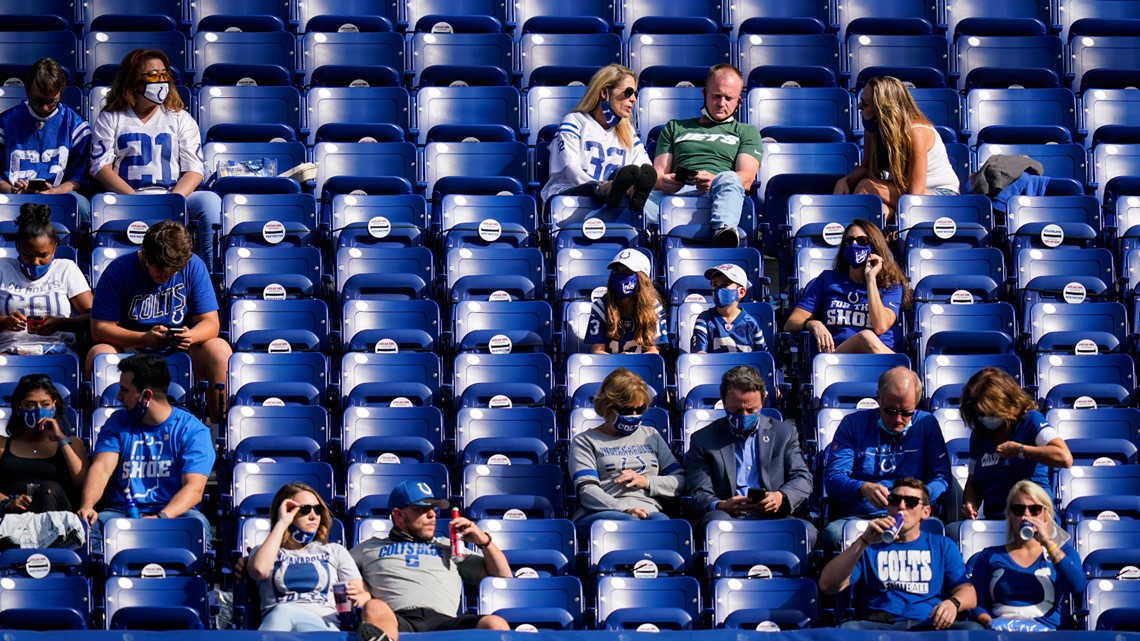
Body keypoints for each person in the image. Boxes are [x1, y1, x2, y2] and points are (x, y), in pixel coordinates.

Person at [88, 48, 221, 269]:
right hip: (126, 198)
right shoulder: (111, 118)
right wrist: (134, 197)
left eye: (163, 75)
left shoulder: (180, 118)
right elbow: (101, 168)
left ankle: (210, 274)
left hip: (172, 196)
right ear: (132, 81)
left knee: (209, 201)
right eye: (152, 75)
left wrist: (172, 201)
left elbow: (194, 170)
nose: (160, 81)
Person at [88, 220, 231, 423]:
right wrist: (144, 339)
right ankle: (105, 426)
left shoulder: (193, 266)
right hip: (132, 350)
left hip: (180, 349)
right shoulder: (119, 270)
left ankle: (220, 433)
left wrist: (191, 336)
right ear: (145, 253)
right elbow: (99, 329)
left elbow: (211, 324)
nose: (164, 275)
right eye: (159, 268)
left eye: (172, 271)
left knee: (218, 348)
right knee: (99, 353)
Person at [77, 353, 215, 553]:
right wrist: (88, 504)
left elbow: (194, 489)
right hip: (120, 514)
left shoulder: (192, 430)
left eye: (124, 390)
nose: (118, 397)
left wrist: (160, 518)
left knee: (197, 524)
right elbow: (102, 468)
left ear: (146, 396)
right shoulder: (117, 422)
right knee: (93, 528)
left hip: (175, 515)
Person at [818, 478, 982, 631]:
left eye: (911, 502)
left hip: (929, 624)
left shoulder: (942, 545)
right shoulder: (868, 546)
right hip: (880, 625)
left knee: (973, 630)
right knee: (849, 629)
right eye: (895, 500)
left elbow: (968, 593)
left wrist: (953, 603)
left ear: (925, 512)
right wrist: (863, 541)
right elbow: (828, 585)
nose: (902, 506)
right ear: (888, 506)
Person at [351, 480, 510, 635]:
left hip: (444, 622)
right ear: (398, 515)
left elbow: (503, 577)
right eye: (421, 509)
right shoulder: (369, 548)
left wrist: (484, 541)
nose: (432, 514)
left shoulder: (449, 547)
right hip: (396, 620)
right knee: (374, 607)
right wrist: (362, 589)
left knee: (495, 624)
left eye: (433, 509)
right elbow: (335, 570)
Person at [821, 367, 950, 552]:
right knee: (834, 536)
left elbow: (943, 478)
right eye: (890, 411)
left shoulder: (926, 424)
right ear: (878, 398)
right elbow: (833, 478)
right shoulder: (853, 424)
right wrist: (862, 488)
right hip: (863, 516)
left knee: (939, 535)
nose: (898, 419)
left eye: (907, 413)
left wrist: (916, 498)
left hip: (911, 516)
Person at [684, 365, 815, 547]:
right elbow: (698, 491)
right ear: (724, 402)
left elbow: (802, 478)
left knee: (807, 532)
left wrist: (781, 496)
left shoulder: (784, 433)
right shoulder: (703, 439)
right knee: (713, 524)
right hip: (727, 516)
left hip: (773, 515)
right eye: (736, 410)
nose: (744, 415)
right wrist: (720, 505)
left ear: (763, 401)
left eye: (751, 410)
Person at [645, 64, 762, 248]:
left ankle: (724, 231)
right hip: (676, 194)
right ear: (704, 93)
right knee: (636, 201)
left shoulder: (746, 131)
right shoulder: (674, 127)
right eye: (716, 96)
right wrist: (666, 182)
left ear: (739, 101)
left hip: (721, 194)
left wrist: (715, 180)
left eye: (729, 98)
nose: (721, 103)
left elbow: (746, 178)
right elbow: (657, 174)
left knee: (730, 177)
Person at [569, 368, 684, 543]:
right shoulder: (585, 441)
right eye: (626, 410)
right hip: (599, 513)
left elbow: (681, 481)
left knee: (663, 524)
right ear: (608, 406)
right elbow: (587, 490)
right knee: (629, 524)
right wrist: (624, 509)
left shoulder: (651, 435)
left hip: (649, 512)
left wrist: (646, 481)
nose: (634, 416)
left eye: (640, 409)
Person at [248, 482, 373, 634]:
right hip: (281, 628)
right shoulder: (264, 552)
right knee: (283, 611)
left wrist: (357, 598)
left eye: (318, 509)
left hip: (323, 627)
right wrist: (282, 523)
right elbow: (259, 570)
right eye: (305, 510)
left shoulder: (335, 551)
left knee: (284, 611)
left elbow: (364, 595)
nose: (313, 516)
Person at [834, 76, 960, 223]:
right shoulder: (873, 130)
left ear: (883, 108)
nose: (859, 107)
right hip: (903, 192)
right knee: (879, 211)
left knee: (866, 186)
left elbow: (916, 194)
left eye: (865, 103)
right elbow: (867, 166)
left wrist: (869, 186)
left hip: (941, 197)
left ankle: (847, 234)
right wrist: (845, 181)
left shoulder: (916, 133)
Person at [969, 480, 1086, 631]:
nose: (1026, 516)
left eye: (1034, 509)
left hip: (1045, 633)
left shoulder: (1064, 553)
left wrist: (1048, 543)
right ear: (1010, 515)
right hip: (1000, 632)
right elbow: (977, 604)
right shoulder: (989, 556)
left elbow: (1077, 586)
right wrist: (991, 623)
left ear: (1046, 515)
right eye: (1018, 509)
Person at [958, 367, 1072, 522]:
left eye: (989, 413)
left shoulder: (1030, 421)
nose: (984, 418)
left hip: (1037, 519)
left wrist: (1020, 450)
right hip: (998, 525)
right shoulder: (979, 436)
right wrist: (971, 502)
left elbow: (1064, 457)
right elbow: (973, 483)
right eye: (979, 414)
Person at [783, 219, 909, 354]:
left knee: (866, 337)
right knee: (864, 337)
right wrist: (813, 324)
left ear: (875, 246)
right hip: (838, 359)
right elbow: (790, 323)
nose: (854, 245)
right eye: (849, 241)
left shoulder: (890, 285)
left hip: (877, 359)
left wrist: (871, 279)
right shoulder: (828, 280)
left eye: (862, 241)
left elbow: (880, 326)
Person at [541, 64, 656, 211]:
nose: (633, 99)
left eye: (635, 93)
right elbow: (571, 169)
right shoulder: (575, 121)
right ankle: (609, 189)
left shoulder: (628, 132)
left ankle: (619, 191)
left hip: (609, 206)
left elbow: (646, 168)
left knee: (632, 174)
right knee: (605, 186)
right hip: (569, 198)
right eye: (628, 92)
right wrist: (600, 186)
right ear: (604, 93)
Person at [0, 58, 91, 221]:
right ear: (27, 91)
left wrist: (56, 191)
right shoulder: (5, 124)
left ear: (61, 94)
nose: (44, 108)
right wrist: (11, 189)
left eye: (51, 101)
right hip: (13, 196)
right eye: (38, 100)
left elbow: (78, 178)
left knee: (82, 206)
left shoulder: (76, 126)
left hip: (58, 195)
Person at [0, 203, 92, 355]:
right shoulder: (3, 268)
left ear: (54, 247)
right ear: (18, 247)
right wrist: (4, 322)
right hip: (8, 351)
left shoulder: (66, 269)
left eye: (43, 255)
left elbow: (94, 316)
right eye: (27, 254)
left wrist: (60, 324)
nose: (35, 262)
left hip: (58, 350)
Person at [0, 373, 88, 514]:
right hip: (13, 518)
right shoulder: (3, 444)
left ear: (54, 405)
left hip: (56, 519)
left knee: (49, 489)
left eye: (45, 404)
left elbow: (84, 486)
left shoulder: (73, 444)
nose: (39, 410)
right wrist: (8, 502)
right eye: (30, 405)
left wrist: (61, 440)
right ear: (18, 408)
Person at [584, 248, 667, 354]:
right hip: (608, 367)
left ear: (642, 278)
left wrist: (631, 360)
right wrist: (620, 359)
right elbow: (597, 351)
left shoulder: (653, 307)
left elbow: (653, 352)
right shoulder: (601, 306)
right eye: (616, 271)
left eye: (627, 272)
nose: (620, 276)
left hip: (642, 368)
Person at [691, 263, 766, 353]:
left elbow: (762, 357)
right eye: (715, 285)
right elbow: (699, 355)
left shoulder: (751, 323)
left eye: (725, 284)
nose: (719, 290)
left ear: (741, 292)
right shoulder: (704, 319)